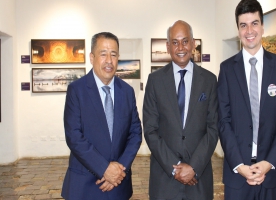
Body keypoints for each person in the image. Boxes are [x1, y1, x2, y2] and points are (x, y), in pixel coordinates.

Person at [217, 0, 276, 200]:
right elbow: (223, 121)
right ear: (238, 29)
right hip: (237, 175)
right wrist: (240, 165)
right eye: (243, 25)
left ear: (262, 26)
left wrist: (269, 162)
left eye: (254, 23)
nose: (249, 31)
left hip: (272, 175)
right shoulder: (226, 69)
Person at [61, 32, 142, 200]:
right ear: (92, 57)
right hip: (85, 186)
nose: (109, 61)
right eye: (103, 54)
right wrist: (104, 169)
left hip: (119, 185)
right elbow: (74, 136)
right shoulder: (77, 90)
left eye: (113, 55)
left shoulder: (127, 92)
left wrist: (120, 170)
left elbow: (135, 134)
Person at [143, 20, 218, 200]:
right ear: (168, 46)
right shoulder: (155, 81)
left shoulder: (209, 80)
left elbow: (213, 128)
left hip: (198, 179)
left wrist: (193, 167)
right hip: (164, 179)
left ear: (193, 43)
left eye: (185, 41)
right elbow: (150, 130)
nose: (180, 47)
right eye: (175, 42)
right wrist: (175, 167)